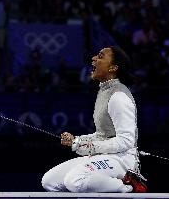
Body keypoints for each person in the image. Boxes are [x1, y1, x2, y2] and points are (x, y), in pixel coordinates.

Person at [41, 46, 147, 193]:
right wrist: (77, 140)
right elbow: (102, 135)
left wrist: (90, 147)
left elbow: (126, 140)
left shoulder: (119, 96)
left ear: (113, 68)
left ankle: (129, 187)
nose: (94, 59)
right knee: (50, 181)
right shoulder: (104, 91)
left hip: (122, 160)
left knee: (75, 180)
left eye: (100, 56)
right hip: (103, 156)